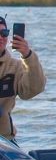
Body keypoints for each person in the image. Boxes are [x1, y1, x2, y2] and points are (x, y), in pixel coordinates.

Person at [0, 16, 46, 145]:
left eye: (4, 33)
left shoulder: (14, 66)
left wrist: (28, 56)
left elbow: (31, 91)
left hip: (5, 142)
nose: (1, 37)